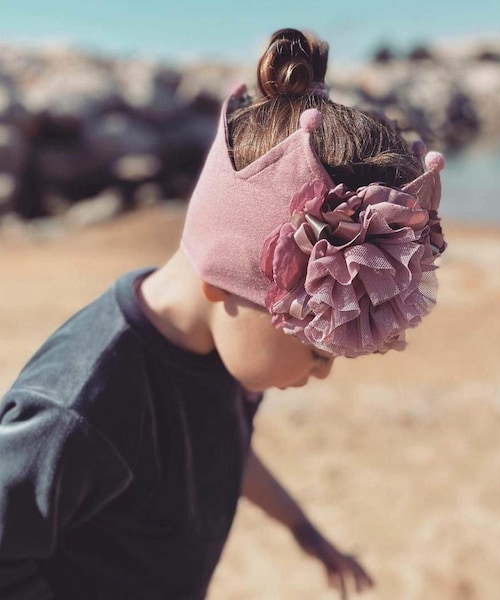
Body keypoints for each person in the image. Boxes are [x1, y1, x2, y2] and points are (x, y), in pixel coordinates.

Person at [0, 28, 446, 600]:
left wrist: (302, 528)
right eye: (316, 347)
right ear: (224, 284)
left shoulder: (222, 350)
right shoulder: (79, 408)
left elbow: (221, 449)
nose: (323, 372)